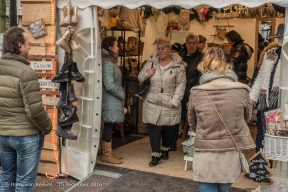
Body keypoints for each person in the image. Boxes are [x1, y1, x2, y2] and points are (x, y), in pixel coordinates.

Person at [187, 47, 255, 192]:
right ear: (229, 65)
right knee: (224, 188)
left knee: (206, 187)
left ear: (204, 66)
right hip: (230, 150)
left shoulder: (196, 93)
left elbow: (193, 123)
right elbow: (247, 118)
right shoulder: (242, 91)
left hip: (205, 150)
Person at [0, 27, 52, 191]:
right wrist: (47, 127)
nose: (30, 47)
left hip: (3, 135)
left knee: (6, 176)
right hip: (25, 137)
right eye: (28, 43)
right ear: (19, 45)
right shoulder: (26, 72)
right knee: (24, 182)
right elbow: (35, 110)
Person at [138, 37, 186, 166]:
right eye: (158, 49)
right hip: (152, 100)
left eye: (163, 48)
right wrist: (147, 73)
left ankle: (165, 149)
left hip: (169, 100)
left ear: (169, 50)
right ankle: (155, 154)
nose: (160, 51)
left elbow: (181, 85)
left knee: (167, 128)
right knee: (153, 128)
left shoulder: (178, 65)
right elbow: (140, 77)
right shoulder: (151, 62)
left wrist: (175, 101)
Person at [250, 24, 284, 153]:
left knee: (278, 135)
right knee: (262, 133)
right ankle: (261, 165)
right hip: (265, 102)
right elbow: (260, 78)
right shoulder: (270, 55)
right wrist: (253, 99)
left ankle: (273, 165)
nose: (280, 40)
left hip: (281, 103)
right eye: (279, 37)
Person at [171, 33, 204, 151]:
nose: (192, 46)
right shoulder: (179, 56)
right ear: (186, 44)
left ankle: (193, 145)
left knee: (194, 120)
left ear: (198, 44)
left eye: (194, 43)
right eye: (189, 43)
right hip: (179, 92)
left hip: (194, 93)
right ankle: (171, 143)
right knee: (175, 118)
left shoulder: (202, 57)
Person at [101, 36, 125, 164]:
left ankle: (108, 153)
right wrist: (121, 93)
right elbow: (109, 84)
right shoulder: (107, 64)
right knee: (108, 125)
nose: (118, 48)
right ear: (110, 48)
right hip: (110, 100)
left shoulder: (110, 62)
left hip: (111, 99)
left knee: (109, 125)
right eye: (116, 45)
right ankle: (106, 155)